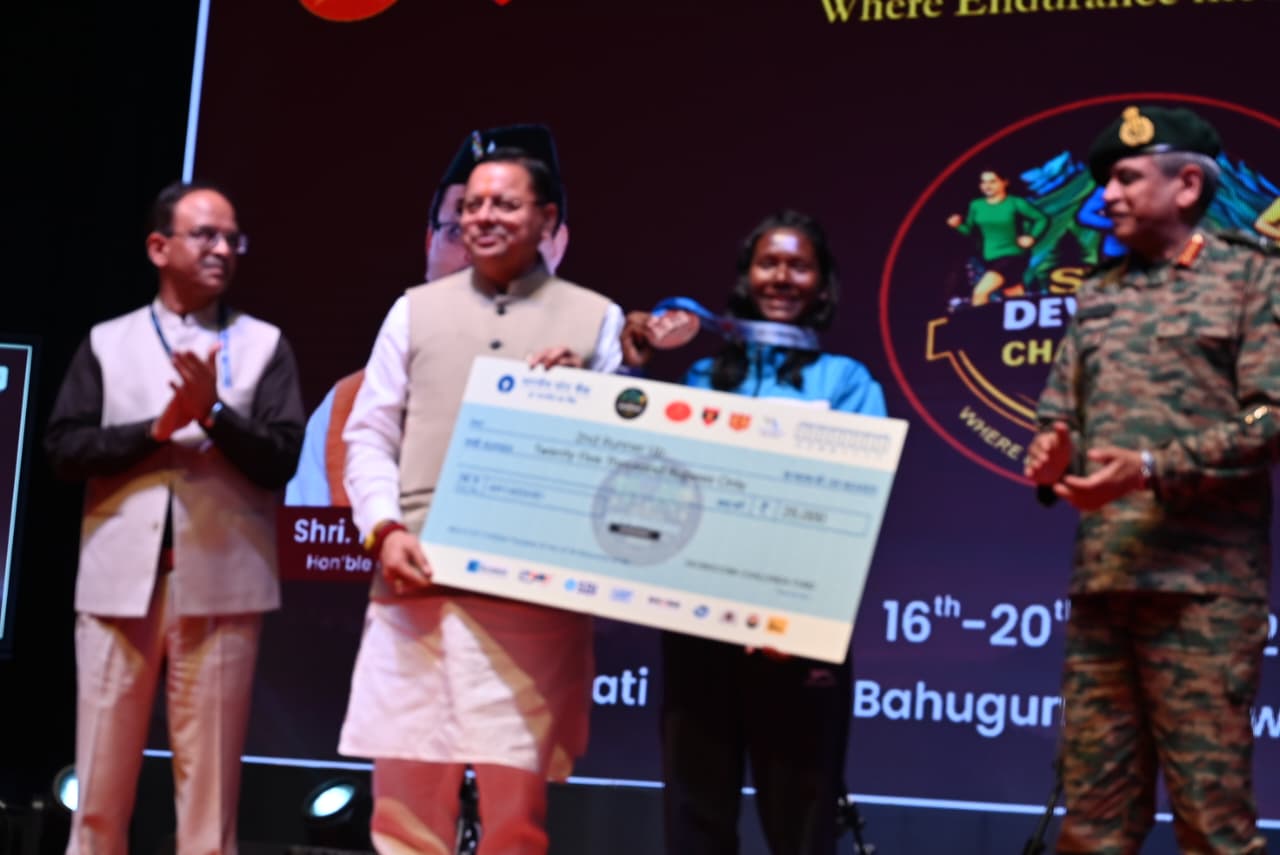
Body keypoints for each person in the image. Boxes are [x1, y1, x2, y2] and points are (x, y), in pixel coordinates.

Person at [338, 145, 624, 854]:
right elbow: (368, 434)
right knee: (403, 815)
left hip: (531, 602)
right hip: (415, 586)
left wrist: (583, 394)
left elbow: (617, 460)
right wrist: (384, 529)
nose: (484, 217)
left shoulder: (596, 320)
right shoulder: (412, 311)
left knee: (514, 819)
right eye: (472, 205)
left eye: (505, 203)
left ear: (547, 220)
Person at [1024, 104, 1280, 854]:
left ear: (1188, 184)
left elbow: (1270, 416)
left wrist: (1149, 468)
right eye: (1107, 180)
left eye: (1127, 177)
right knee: (1092, 827)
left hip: (1202, 593)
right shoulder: (1098, 293)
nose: (1107, 195)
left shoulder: (1253, 277)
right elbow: (1058, 418)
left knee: (1212, 824)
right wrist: (1052, 456)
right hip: (1105, 585)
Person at [44, 181, 305, 855]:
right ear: (159, 247)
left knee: (209, 800)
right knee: (98, 791)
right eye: (205, 235)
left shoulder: (264, 344)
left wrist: (213, 413)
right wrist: (155, 430)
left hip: (222, 586)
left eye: (232, 238)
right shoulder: (108, 341)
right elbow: (64, 448)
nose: (222, 249)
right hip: (117, 584)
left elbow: (282, 457)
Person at [623, 210, 886, 855]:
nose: (782, 277)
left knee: (802, 827)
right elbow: (667, 490)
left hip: (798, 633)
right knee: (695, 816)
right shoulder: (702, 379)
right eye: (769, 263)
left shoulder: (848, 382)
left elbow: (852, 509)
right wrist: (631, 369)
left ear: (823, 285)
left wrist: (789, 613)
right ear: (746, 278)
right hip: (701, 624)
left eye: (799, 266)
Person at [285, 123, 570, 506]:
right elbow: (307, 541)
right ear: (429, 243)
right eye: (457, 229)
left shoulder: (590, 391)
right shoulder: (348, 407)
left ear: (556, 244)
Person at [946, 168, 1048, 306]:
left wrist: (1032, 237)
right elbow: (970, 232)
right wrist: (957, 225)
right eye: (983, 182)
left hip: (1012, 256)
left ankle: (980, 320)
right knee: (1014, 297)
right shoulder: (976, 205)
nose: (987, 186)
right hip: (990, 258)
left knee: (980, 293)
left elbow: (1041, 219)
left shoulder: (1015, 202)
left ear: (1004, 182)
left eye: (992, 181)